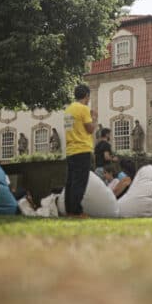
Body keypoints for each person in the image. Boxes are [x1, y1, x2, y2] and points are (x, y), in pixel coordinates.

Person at [64, 84, 97, 216]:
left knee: (71, 182)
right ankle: (76, 211)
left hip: (70, 150)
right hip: (82, 149)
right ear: (87, 95)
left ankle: (69, 210)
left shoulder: (68, 110)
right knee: (80, 182)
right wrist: (94, 118)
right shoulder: (83, 109)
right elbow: (90, 129)